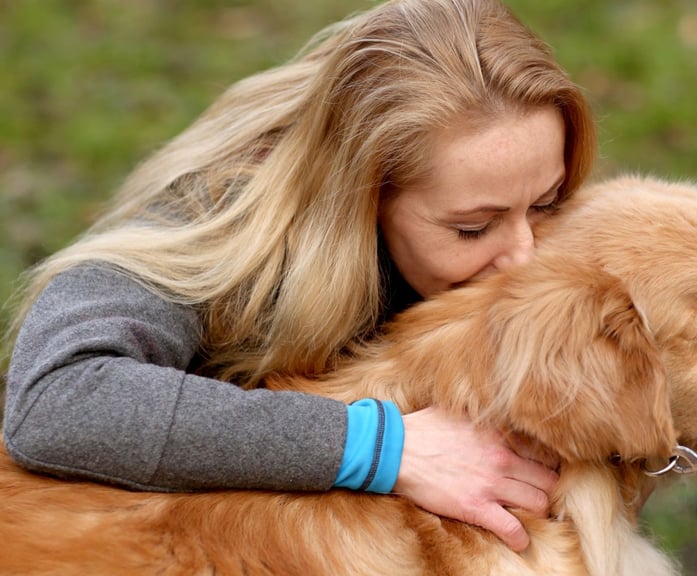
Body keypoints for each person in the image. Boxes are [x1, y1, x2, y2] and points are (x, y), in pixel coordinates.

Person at [1, 0, 596, 553]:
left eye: (547, 204)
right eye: (472, 229)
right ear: (366, 195)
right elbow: (59, 397)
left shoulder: (494, 164)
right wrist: (378, 447)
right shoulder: (221, 218)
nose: (522, 256)